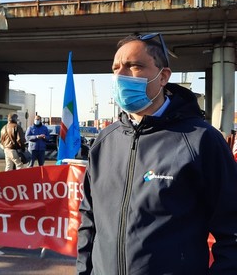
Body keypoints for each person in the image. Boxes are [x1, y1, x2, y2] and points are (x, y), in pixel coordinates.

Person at [76, 33, 237, 274]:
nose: (121, 75)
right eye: (116, 68)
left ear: (163, 76)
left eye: (135, 66)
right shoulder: (104, 140)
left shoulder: (201, 140)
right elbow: (89, 219)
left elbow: (231, 228)